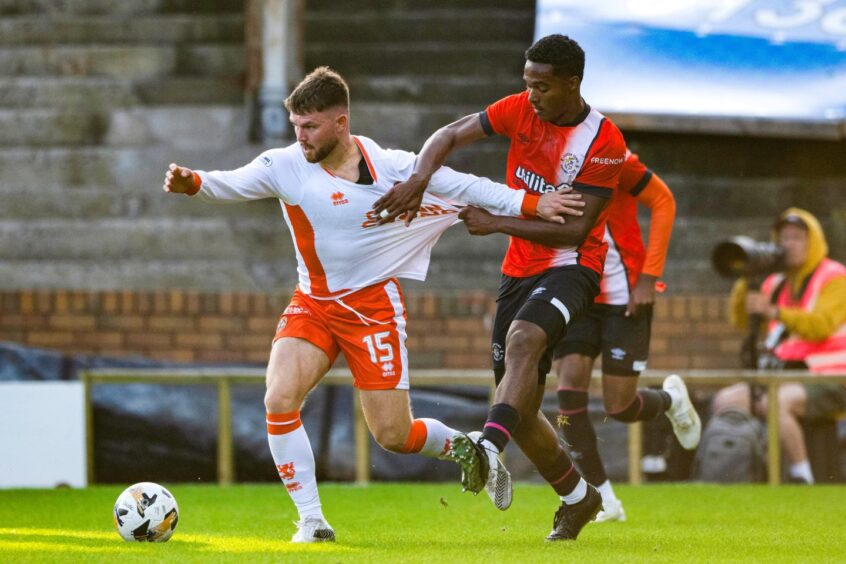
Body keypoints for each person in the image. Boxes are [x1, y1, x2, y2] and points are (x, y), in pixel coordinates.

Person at [162, 66, 583, 543]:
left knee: (392, 435)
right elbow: (232, 182)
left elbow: (468, 186)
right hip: (314, 303)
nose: (300, 137)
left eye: (310, 126)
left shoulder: (393, 167)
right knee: (279, 398)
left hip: (372, 308)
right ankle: (312, 521)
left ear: (341, 122)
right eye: (296, 126)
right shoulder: (284, 166)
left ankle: (465, 447)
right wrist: (192, 181)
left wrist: (533, 205)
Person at [375, 34, 699, 541]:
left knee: (529, 342)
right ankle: (579, 499)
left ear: (572, 83)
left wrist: (498, 221)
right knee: (521, 407)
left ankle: (487, 446)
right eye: (527, 84)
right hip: (518, 269)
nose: (532, 96)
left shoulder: (603, 142)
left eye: (542, 87)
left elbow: (576, 229)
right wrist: (420, 176)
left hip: (574, 265)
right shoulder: (520, 109)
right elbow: (451, 133)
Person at [552, 150, 700, 523]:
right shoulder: (538, 153)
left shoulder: (610, 155)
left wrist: (650, 276)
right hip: (577, 291)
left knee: (619, 406)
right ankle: (602, 499)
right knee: (568, 391)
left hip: (626, 295)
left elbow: (663, 200)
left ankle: (671, 400)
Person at [712, 208, 846, 484]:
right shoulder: (775, 282)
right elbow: (739, 320)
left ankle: (802, 476)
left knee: (778, 402)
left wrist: (775, 312)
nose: (788, 244)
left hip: (831, 377)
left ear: (814, 242)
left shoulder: (835, 277)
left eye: (797, 237)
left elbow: (820, 325)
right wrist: (746, 277)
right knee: (725, 400)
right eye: (784, 237)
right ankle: (736, 474)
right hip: (782, 375)